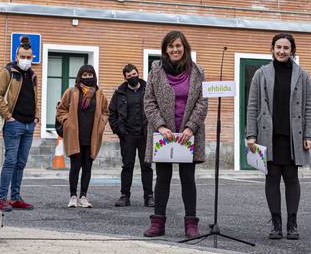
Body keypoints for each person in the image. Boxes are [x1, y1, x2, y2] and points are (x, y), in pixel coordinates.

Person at [246, 33, 311, 240]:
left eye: (286, 48)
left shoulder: (302, 75)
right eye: (278, 47)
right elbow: (252, 106)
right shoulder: (261, 74)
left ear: (292, 50)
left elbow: (309, 107)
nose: (282, 51)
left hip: (294, 137)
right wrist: (251, 134)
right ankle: (276, 223)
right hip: (269, 136)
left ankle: (292, 223)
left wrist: (309, 135)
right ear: (272, 49)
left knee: (292, 179)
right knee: (272, 179)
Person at [143, 31, 208, 238]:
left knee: (188, 178)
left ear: (185, 48)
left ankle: (191, 224)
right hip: (164, 135)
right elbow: (149, 102)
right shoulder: (155, 71)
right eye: (170, 46)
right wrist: (161, 126)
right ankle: (158, 222)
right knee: (162, 178)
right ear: (165, 50)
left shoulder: (197, 72)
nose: (175, 50)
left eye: (178, 46)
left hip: (187, 135)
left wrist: (190, 128)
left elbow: (202, 102)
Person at [0, 36, 38, 212]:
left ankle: (16, 197)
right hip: (14, 123)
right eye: (23, 56)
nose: (26, 60)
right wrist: (8, 116)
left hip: (29, 125)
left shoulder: (33, 75)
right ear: (16, 56)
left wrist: (36, 117)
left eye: (29, 57)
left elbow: (35, 97)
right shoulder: (8, 72)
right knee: (10, 161)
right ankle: (2, 199)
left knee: (21, 162)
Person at [56, 65, 109, 208]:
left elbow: (106, 111)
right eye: (84, 75)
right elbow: (61, 110)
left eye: (90, 74)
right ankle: (73, 196)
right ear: (79, 76)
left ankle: (83, 196)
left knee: (87, 167)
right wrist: (67, 121)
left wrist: (102, 123)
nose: (87, 77)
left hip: (91, 136)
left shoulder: (100, 94)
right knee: (75, 167)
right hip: (75, 135)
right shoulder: (71, 92)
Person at [109, 64, 154, 208]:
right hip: (127, 135)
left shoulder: (148, 90)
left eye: (134, 74)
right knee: (127, 166)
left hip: (145, 134)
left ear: (138, 73)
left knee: (146, 166)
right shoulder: (119, 93)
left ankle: (149, 197)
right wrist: (118, 130)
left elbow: (155, 108)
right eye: (129, 76)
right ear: (125, 78)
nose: (132, 77)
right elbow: (112, 113)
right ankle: (124, 196)